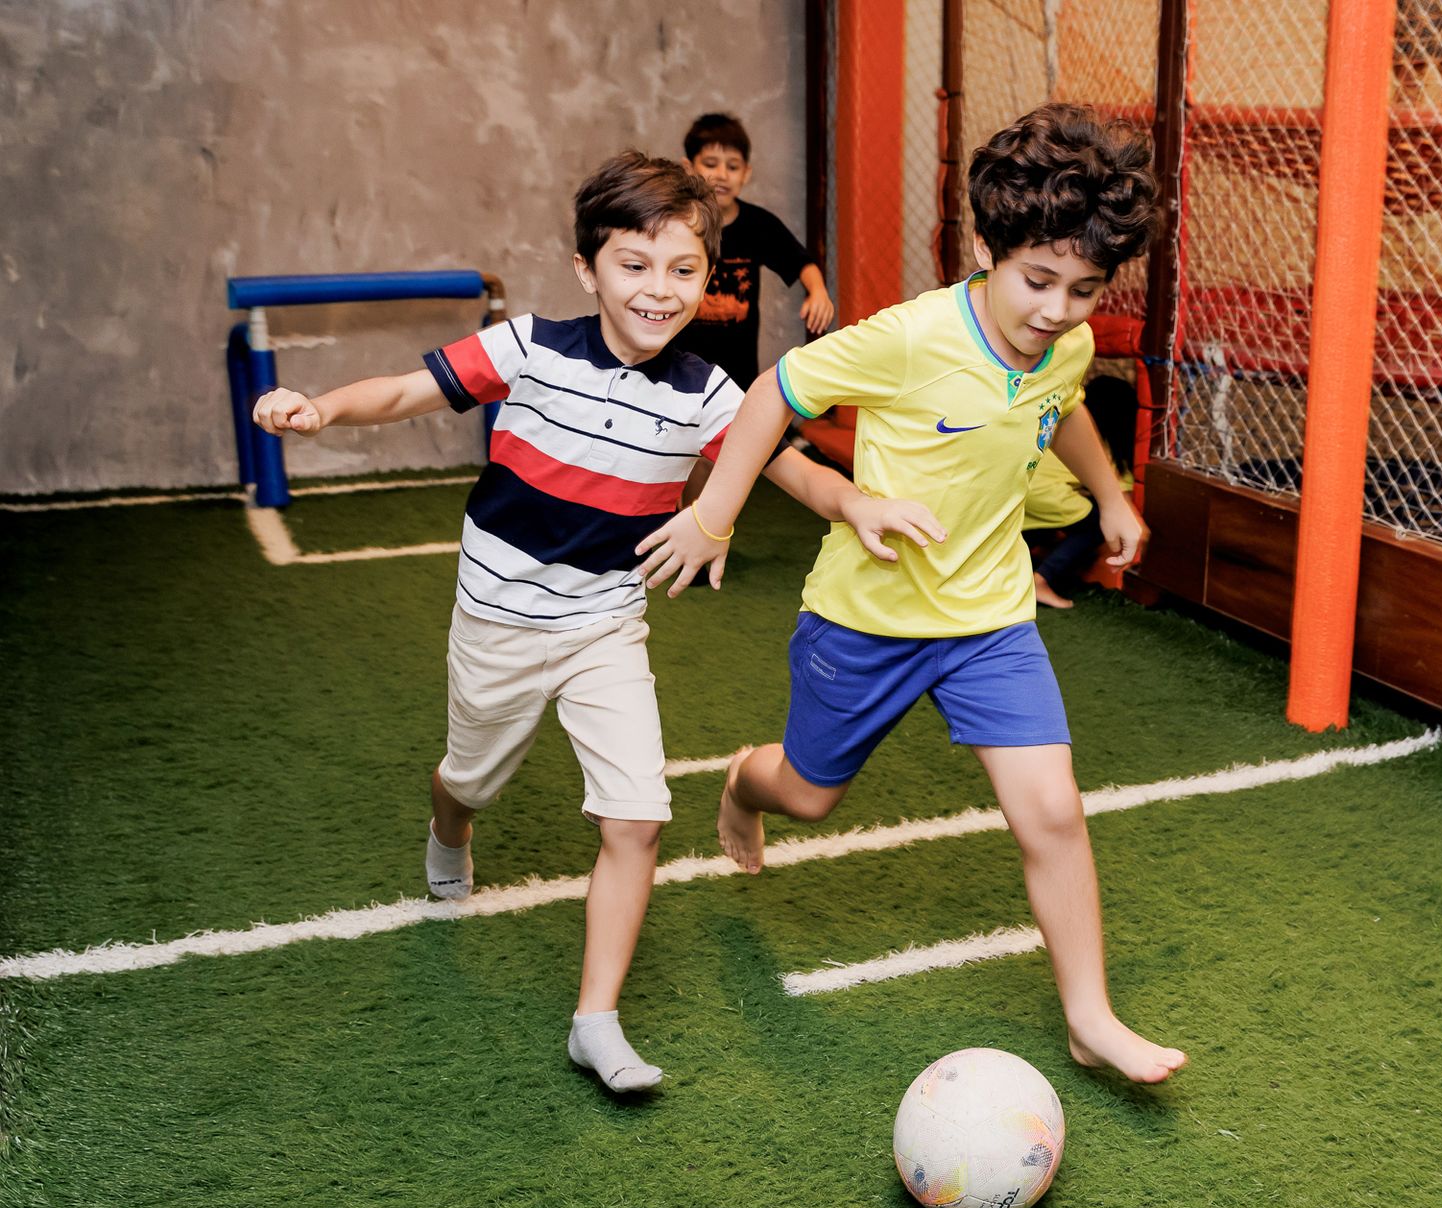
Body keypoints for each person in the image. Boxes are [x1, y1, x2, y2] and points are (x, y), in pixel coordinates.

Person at [251, 151, 936, 1095]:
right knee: (470, 779)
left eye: (684, 271)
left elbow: (786, 463)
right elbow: (409, 389)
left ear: (709, 278)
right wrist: (321, 408)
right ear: (588, 269)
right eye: (635, 265)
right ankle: (449, 824)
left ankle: (595, 1020)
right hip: (497, 618)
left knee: (637, 817)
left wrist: (854, 504)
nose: (660, 291)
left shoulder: (707, 390)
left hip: (605, 626)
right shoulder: (531, 346)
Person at [636, 104, 1188, 1085]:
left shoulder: (1063, 340)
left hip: (987, 618)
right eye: (1039, 280)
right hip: (869, 615)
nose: (1060, 309)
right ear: (984, 248)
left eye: (1085, 289)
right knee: (810, 792)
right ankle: (742, 783)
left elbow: (1061, 406)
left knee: (1052, 812)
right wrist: (714, 515)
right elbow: (773, 393)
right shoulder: (909, 337)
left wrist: (1108, 496)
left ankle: (1089, 1016)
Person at [677, 112, 835, 391]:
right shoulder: (675, 223)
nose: (722, 175)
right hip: (678, 366)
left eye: (733, 166)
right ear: (689, 168)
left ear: (746, 173)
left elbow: (802, 262)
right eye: (711, 164)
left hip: (737, 374)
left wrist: (818, 291)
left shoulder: (758, 225)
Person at [1025, 374, 1138, 608]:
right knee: (1097, 521)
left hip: (1021, 490)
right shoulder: (1103, 447)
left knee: (1048, 523)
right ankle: (1041, 580)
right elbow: (1121, 500)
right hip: (1047, 496)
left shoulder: (1058, 429)